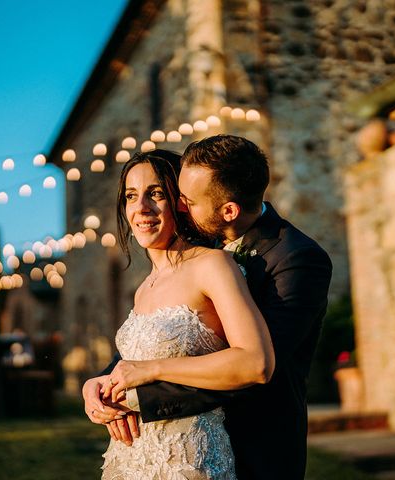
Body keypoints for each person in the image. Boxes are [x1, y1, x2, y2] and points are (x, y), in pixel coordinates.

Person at [84, 135, 332, 479]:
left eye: (180, 199)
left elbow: (254, 367)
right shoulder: (192, 249)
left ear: (227, 210)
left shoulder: (297, 259)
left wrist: (135, 396)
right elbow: (155, 341)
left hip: (252, 442)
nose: (181, 207)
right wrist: (101, 382)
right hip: (148, 453)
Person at [95, 149, 275, 479]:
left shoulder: (213, 266)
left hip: (188, 460)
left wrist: (151, 370)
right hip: (131, 459)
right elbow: (129, 366)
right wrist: (97, 388)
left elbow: (256, 363)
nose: (141, 208)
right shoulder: (144, 287)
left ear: (180, 201)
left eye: (156, 193)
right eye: (131, 196)